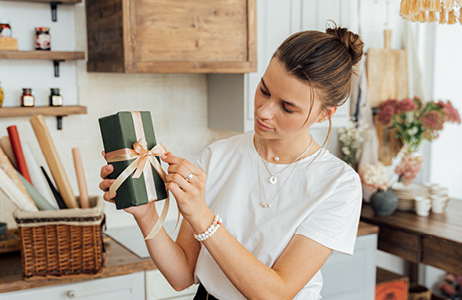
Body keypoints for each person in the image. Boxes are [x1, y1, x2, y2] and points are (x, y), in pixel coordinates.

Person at [100, 24, 364, 300]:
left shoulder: (338, 184)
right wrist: (146, 214)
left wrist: (201, 216)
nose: (264, 111)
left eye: (287, 107)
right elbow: (181, 277)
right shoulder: (218, 156)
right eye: (263, 89)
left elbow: (275, 294)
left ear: (324, 115)